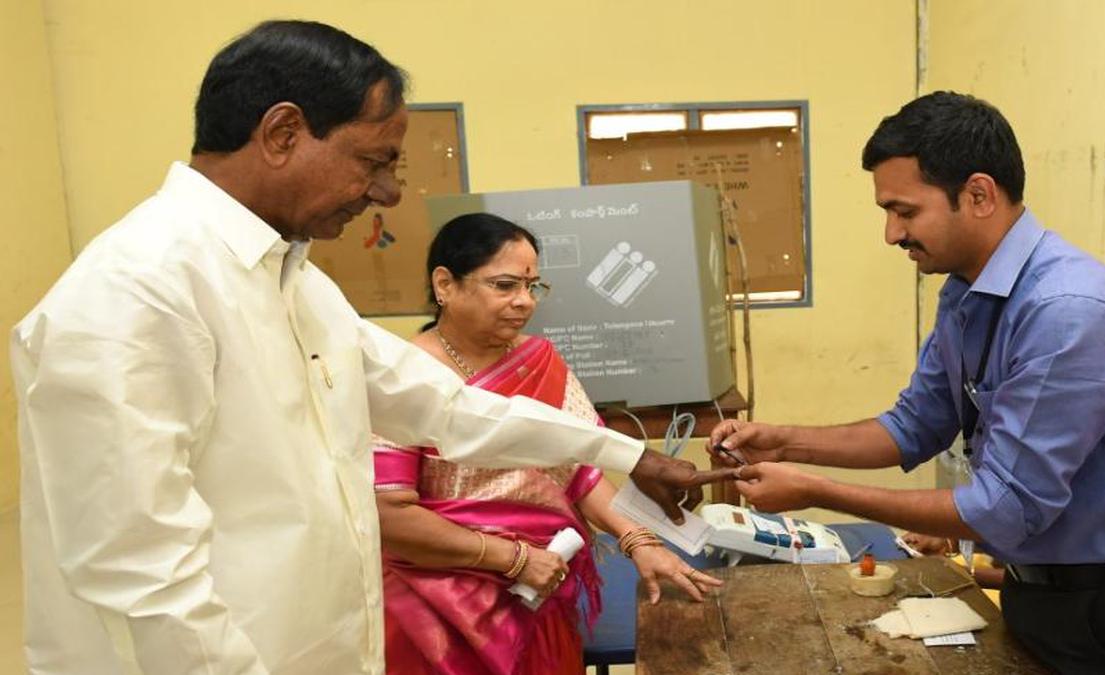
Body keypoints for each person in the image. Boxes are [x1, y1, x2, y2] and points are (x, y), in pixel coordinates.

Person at [11, 21, 730, 675]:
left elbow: (447, 408)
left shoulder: (296, 286)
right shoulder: (135, 292)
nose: (386, 193)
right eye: (372, 161)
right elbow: (142, 575)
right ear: (283, 133)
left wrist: (629, 454)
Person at [708, 91, 1105, 674]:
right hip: (1039, 591)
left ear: (978, 195)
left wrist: (817, 491)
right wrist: (785, 442)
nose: (892, 234)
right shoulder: (967, 292)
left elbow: (1004, 509)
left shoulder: (1068, 313)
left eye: (906, 211)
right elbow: (914, 426)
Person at [372, 213, 721, 675]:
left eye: (532, 286)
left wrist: (639, 540)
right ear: (445, 284)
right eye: (505, 285)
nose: (524, 302)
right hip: (431, 612)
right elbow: (390, 513)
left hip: (541, 591)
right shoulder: (400, 376)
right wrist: (513, 559)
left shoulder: (539, 360)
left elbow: (580, 470)